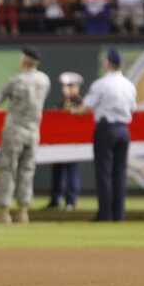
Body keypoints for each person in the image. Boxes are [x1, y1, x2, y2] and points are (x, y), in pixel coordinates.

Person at [0, 46, 50, 224]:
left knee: (7, 169)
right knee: (27, 170)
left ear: (25, 61)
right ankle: (23, 212)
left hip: (15, 130)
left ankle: (3, 212)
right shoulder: (44, 80)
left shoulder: (17, 80)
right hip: (34, 131)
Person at [75, 49, 137, 221]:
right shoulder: (129, 84)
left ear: (108, 63)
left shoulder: (101, 84)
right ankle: (119, 214)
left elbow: (86, 107)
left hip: (106, 129)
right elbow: (133, 108)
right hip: (124, 129)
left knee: (104, 173)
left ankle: (105, 214)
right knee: (120, 172)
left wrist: (73, 111)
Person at [46, 72, 84, 210]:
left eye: (69, 86)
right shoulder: (62, 102)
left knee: (72, 171)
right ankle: (55, 200)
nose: (65, 89)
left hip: (73, 143)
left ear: (76, 87)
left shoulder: (80, 103)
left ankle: (71, 201)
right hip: (59, 143)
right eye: (64, 86)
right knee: (57, 171)